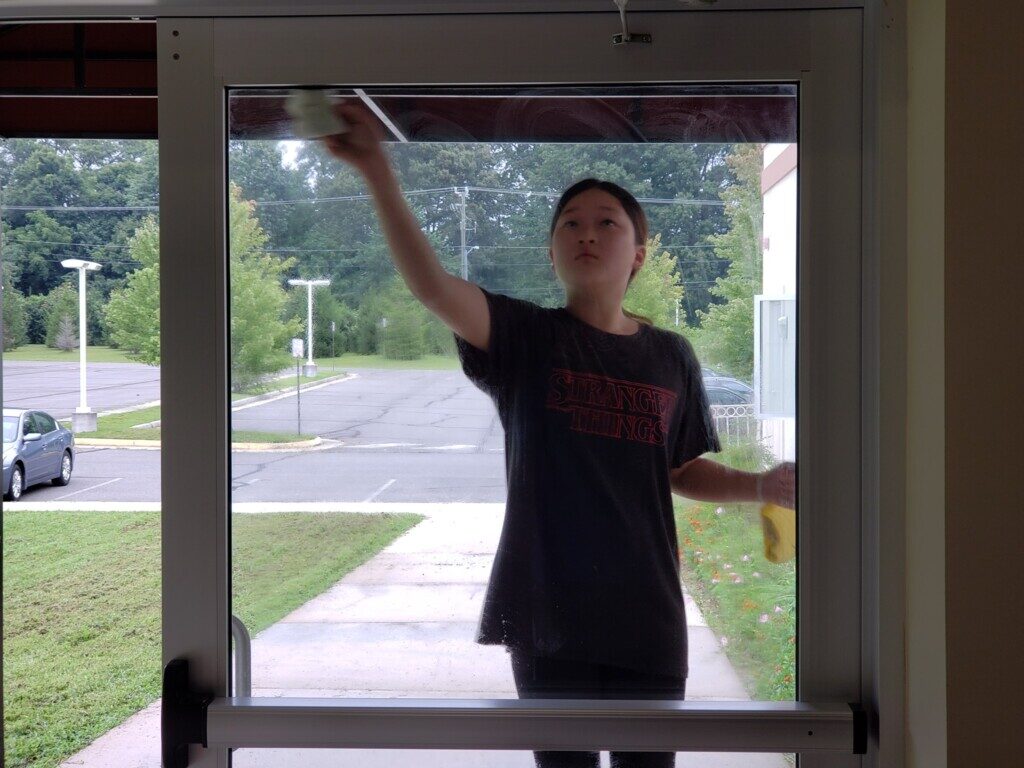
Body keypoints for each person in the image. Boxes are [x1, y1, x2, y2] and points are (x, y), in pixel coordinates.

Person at [323, 102, 796, 768]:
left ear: (639, 253)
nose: (587, 233)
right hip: (548, 612)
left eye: (608, 223)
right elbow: (431, 287)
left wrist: (762, 487)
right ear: (551, 253)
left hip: (647, 613)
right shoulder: (525, 339)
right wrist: (376, 168)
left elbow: (681, 469)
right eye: (570, 223)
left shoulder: (671, 356)